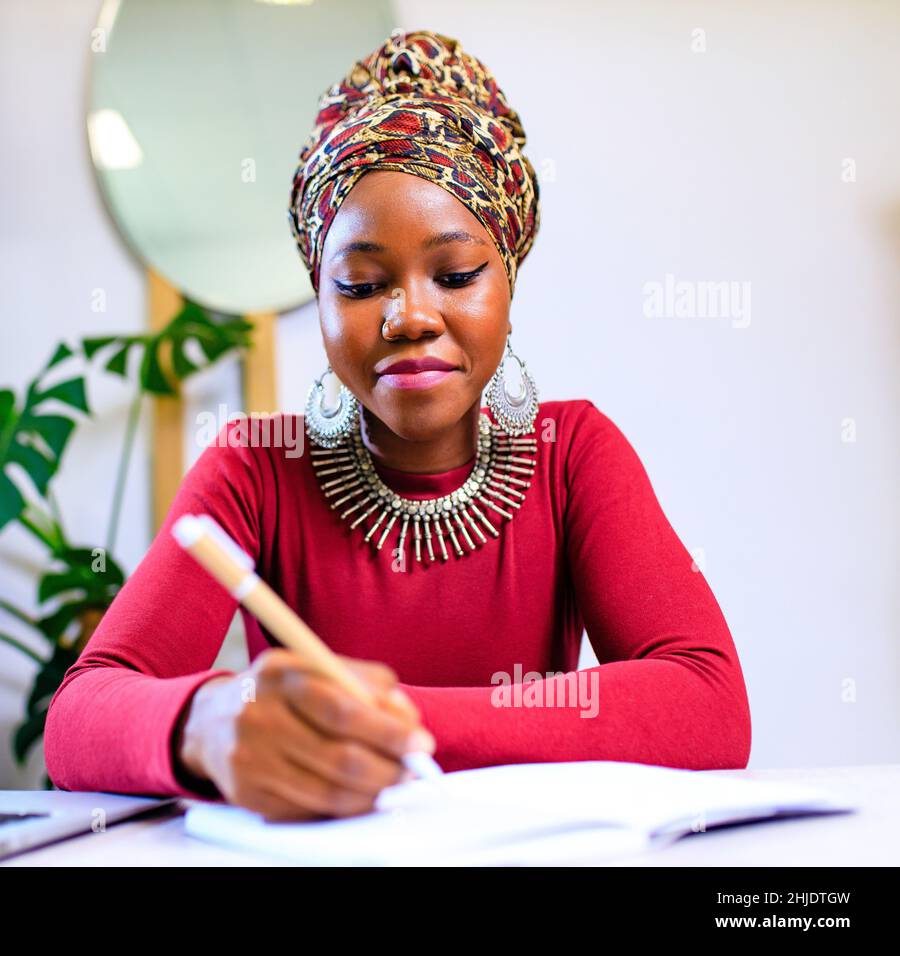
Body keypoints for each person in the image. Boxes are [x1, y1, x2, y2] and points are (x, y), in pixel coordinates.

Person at [44, 29, 751, 821]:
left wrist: (381, 722)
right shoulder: (254, 470)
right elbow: (78, 718)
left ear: (508, 282)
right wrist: (209, 724)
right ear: (318, 301)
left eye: (455, 275)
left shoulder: (574, 455)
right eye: (360, 283)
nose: (411, 316)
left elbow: (708, 704)